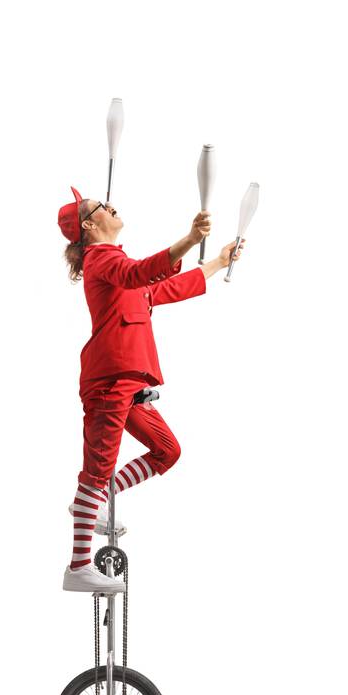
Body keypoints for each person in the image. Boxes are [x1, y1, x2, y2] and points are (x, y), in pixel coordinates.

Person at [56, 185, 244, 593]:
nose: (111, 204)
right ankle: (77, 566)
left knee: (167, 451)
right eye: (100, 206)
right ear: (89, 225)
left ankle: (98, 500)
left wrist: (216, 260)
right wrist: (190, 239)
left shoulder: (116, 270)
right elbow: (139, 272)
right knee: (97, 467)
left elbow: (161, 287)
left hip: (129, 381)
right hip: (110, 378)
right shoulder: (102, 258)